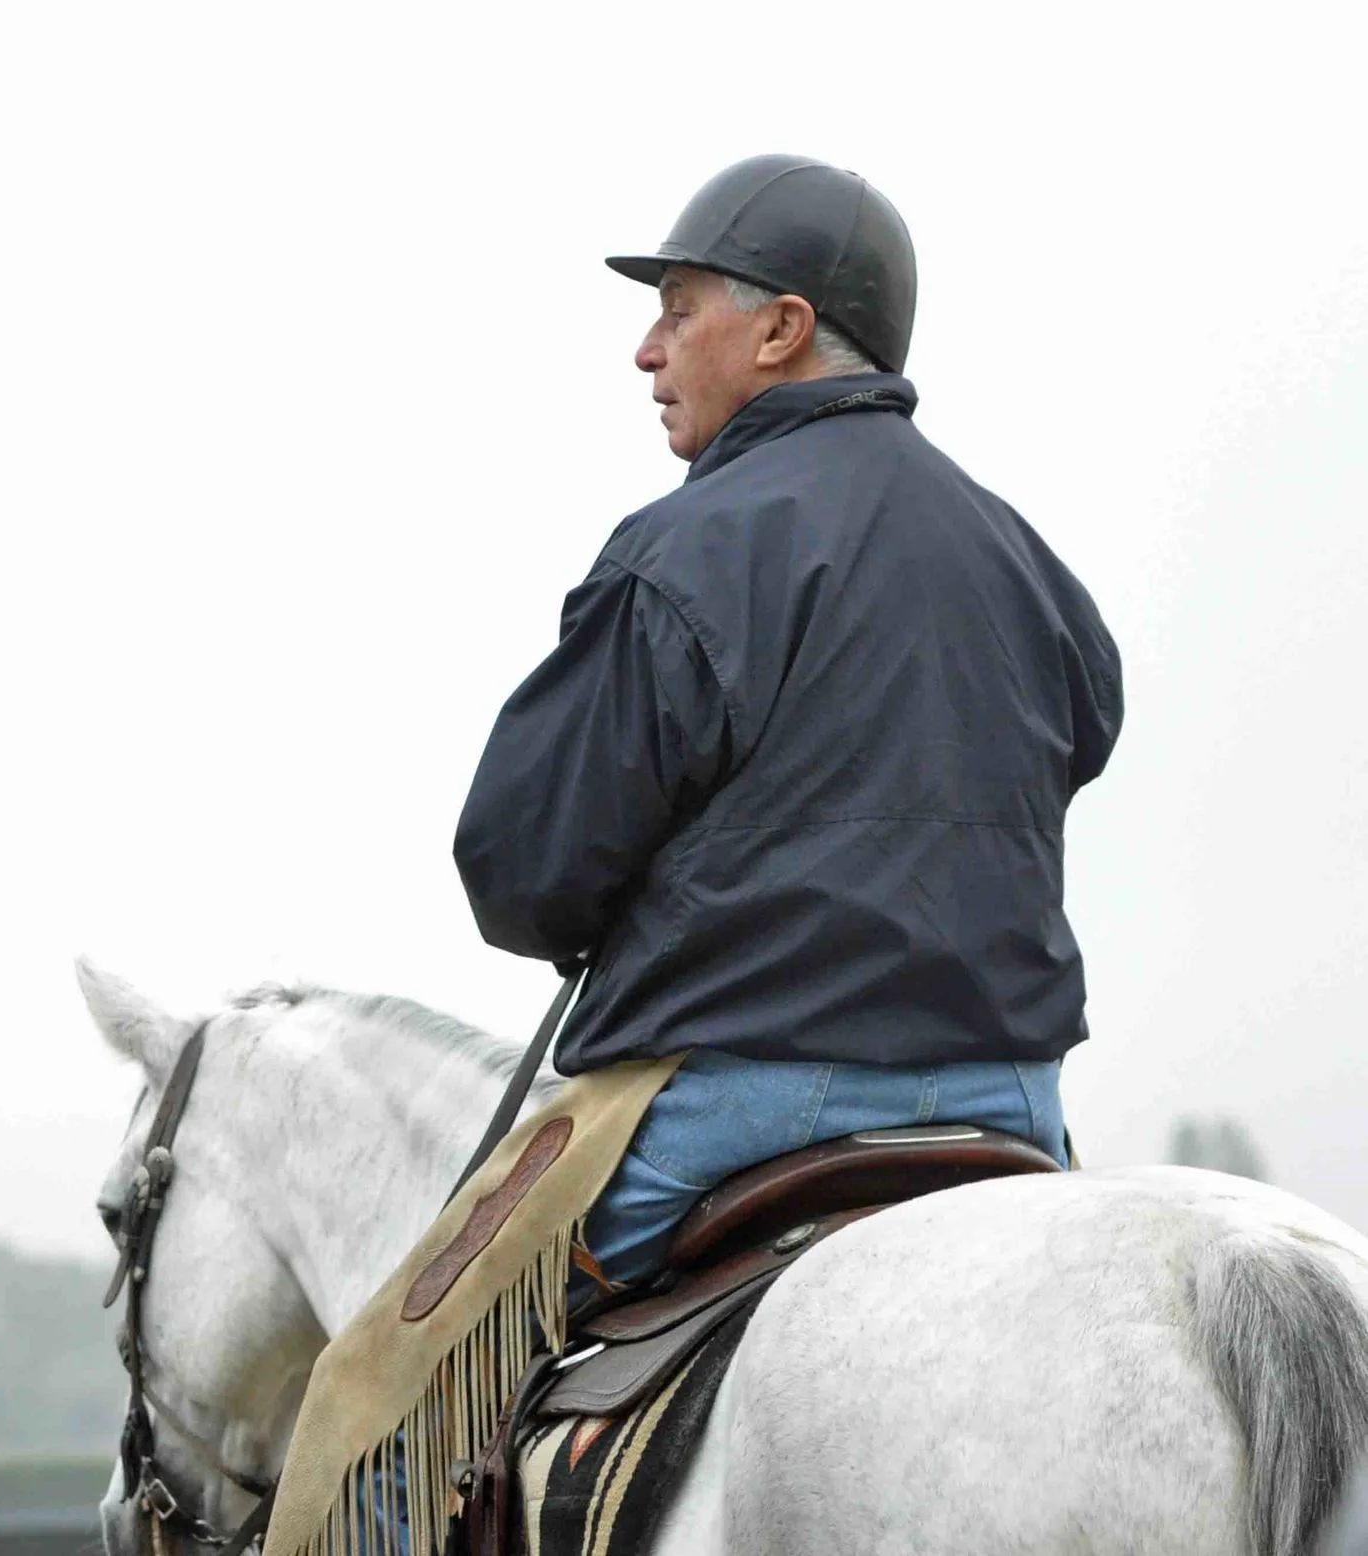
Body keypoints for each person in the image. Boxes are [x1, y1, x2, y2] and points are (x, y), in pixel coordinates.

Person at [453, 156, 1121, 1295]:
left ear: (781, 331)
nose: (646, 350)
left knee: (408, 1384)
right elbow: (1085, 732)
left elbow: (519, 871)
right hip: (1012, 1098)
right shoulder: (1029, 565)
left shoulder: (684, 550)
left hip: (743, 1101)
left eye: (676, 311)